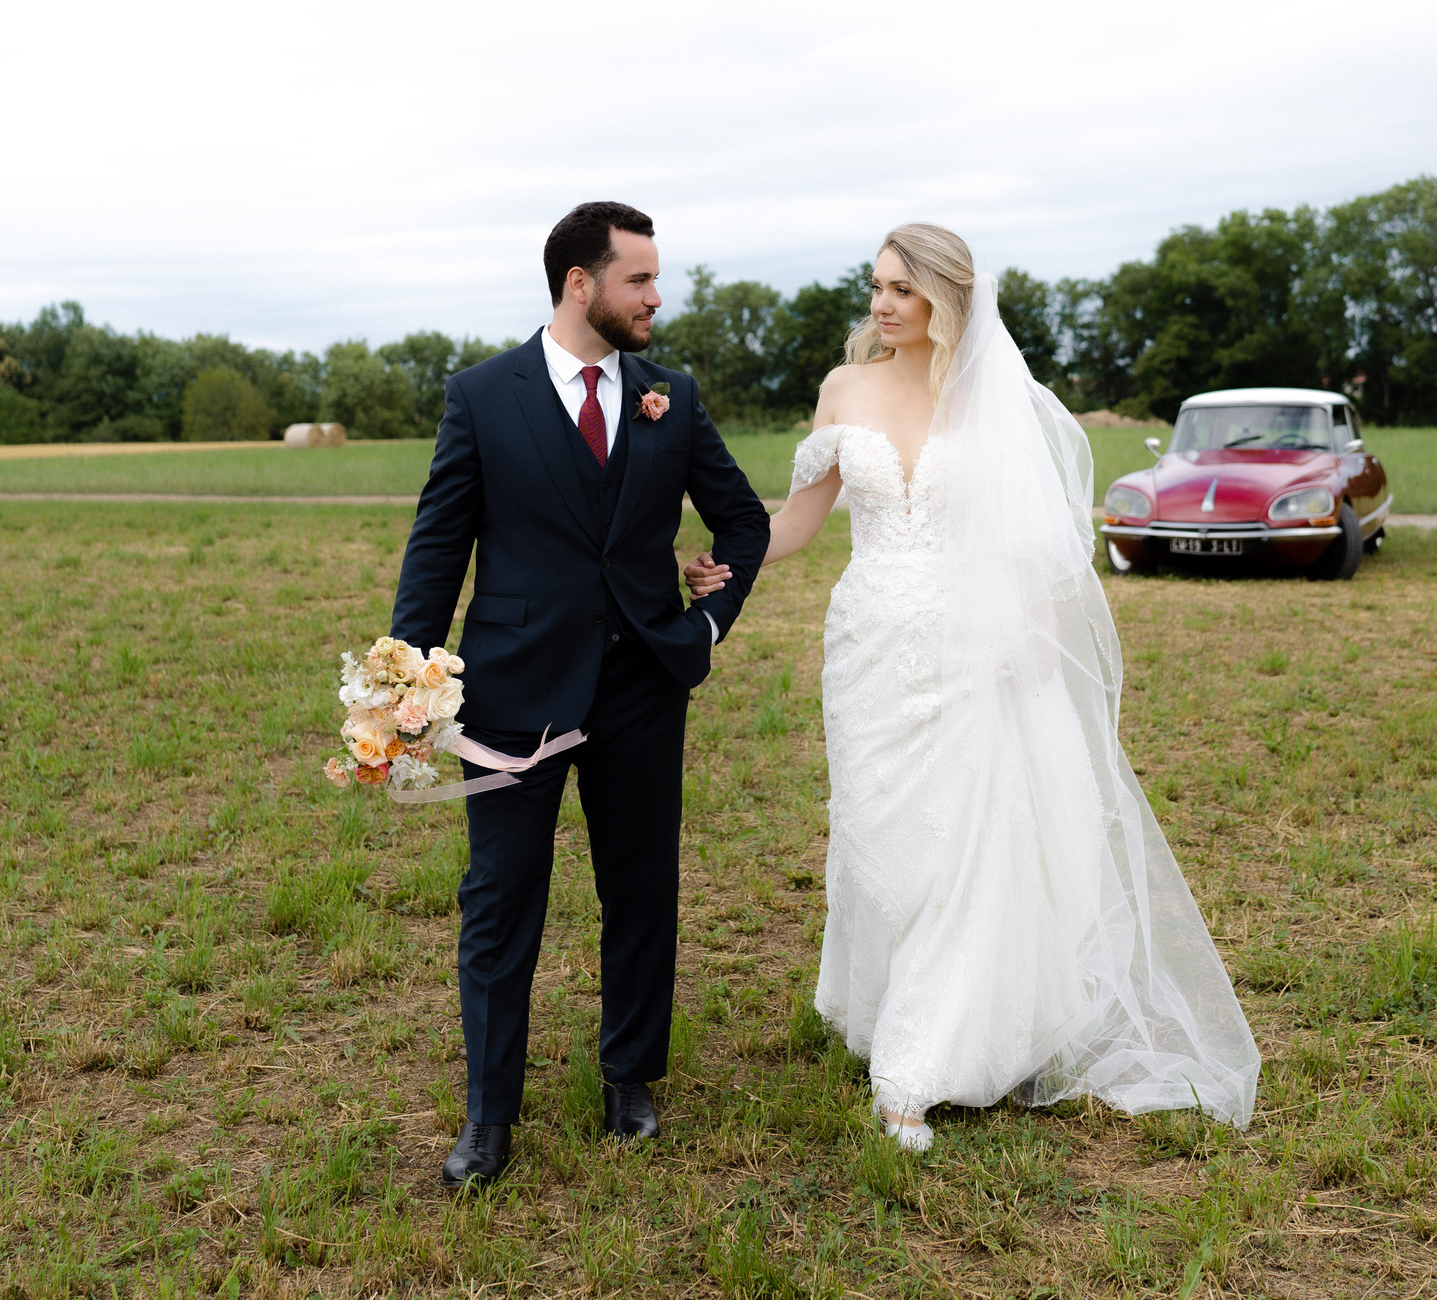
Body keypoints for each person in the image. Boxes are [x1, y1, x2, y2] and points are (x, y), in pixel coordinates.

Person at [683, 223, 1258, 1150]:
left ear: (945, 298)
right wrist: (728, 562)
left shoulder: (989, 396)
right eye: (875, 286)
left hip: (975, 646)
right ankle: (892, 999)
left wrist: (1029, 631)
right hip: (869, 640)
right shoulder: (844, 388)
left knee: (969, 838)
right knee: (880, 831)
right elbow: (796, 518)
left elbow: (1034, 536)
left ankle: (920, 1063)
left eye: (901, 290)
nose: (881, 305)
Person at [391, 201, 771, 1189]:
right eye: (639, 279)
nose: (656, 296)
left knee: (640, 892)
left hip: (643, 687)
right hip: (512, 694)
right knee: (498, 904)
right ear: (579, 284)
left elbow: (741, 523)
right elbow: (439, 544)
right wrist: (412, 678)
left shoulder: (669, 397)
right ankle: (488, 1117)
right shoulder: (482, 395)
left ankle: (629, 1081)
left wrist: (705, 624)